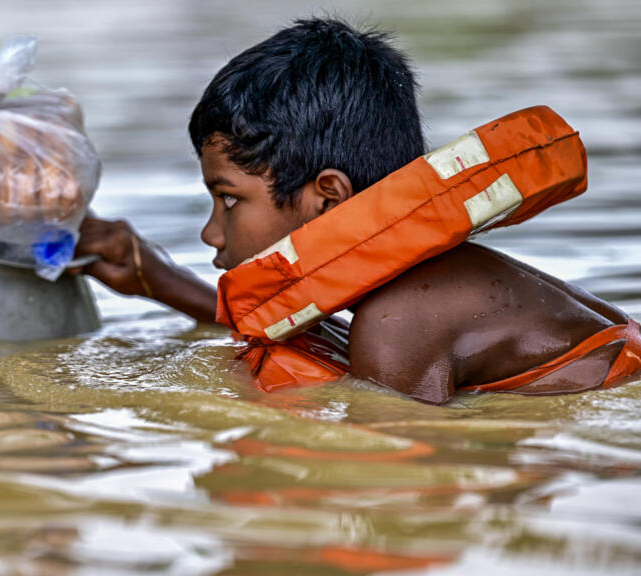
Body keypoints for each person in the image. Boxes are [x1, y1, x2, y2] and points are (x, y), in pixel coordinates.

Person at [70, 17, 640, 404]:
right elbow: (311, 334)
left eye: (228, 199)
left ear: (329, 198)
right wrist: (157, 280)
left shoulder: (399, 320)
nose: (211, 230)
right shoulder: (414, 292)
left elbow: (383, 472)